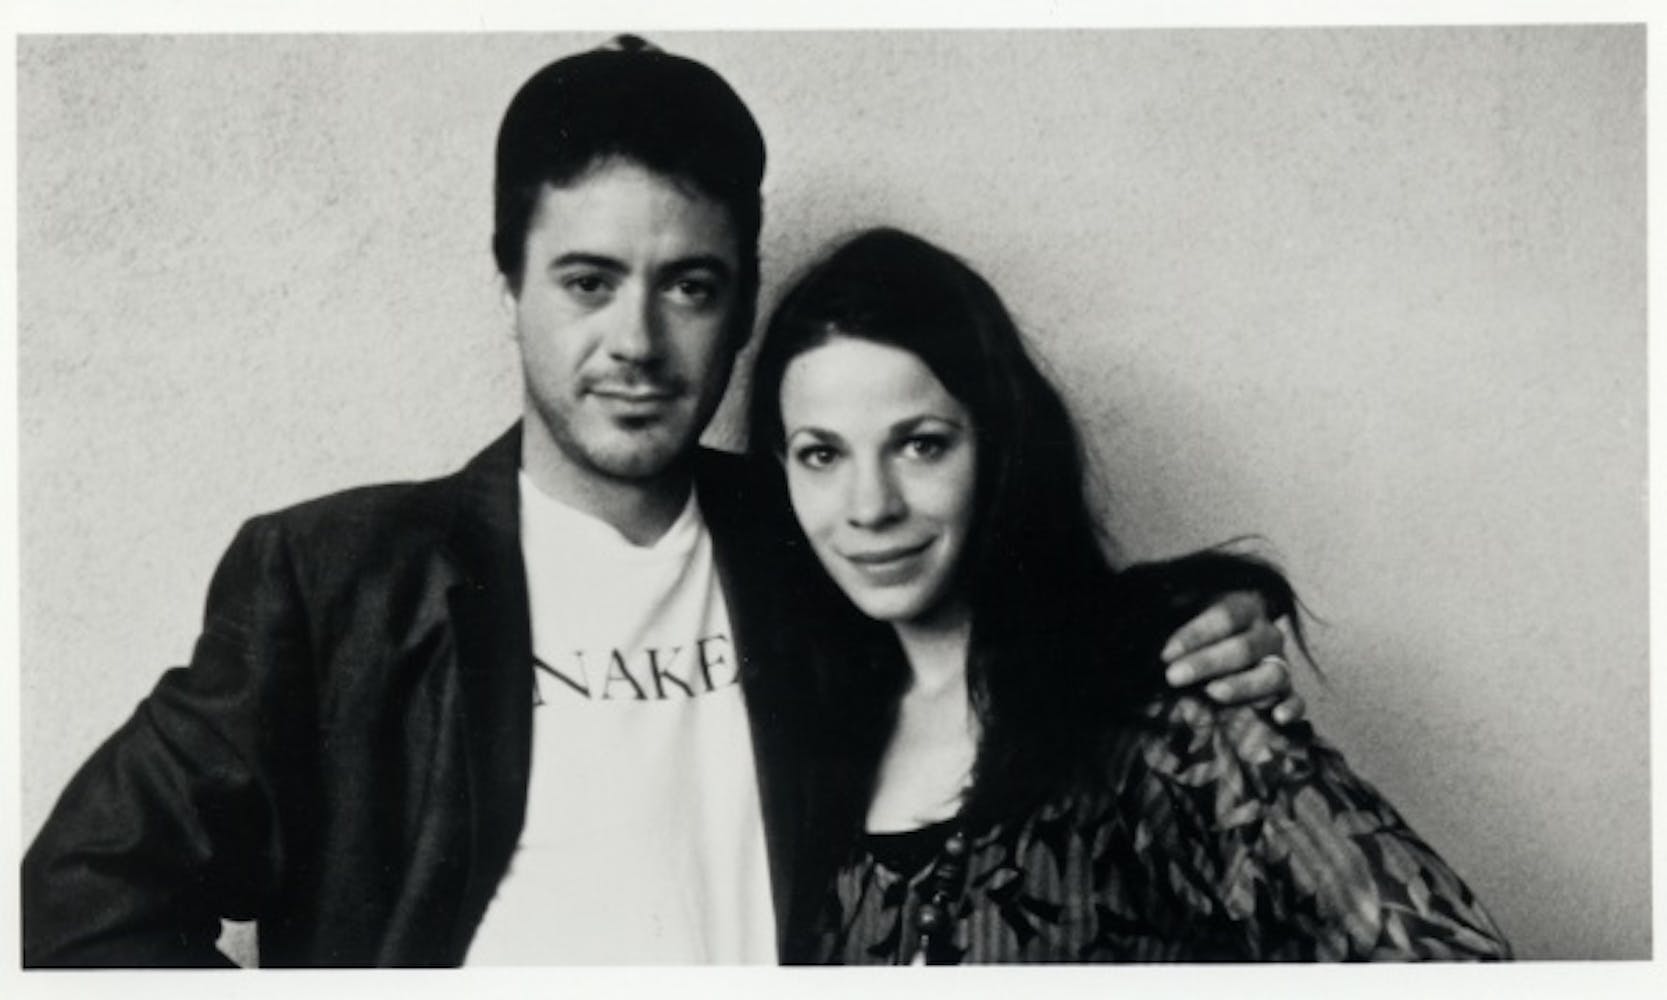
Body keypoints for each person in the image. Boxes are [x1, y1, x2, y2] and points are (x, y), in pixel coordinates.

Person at [22, 38, 1299, 968]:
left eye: (687, 285)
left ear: (740, 306)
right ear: (509, 282)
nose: (634, 341)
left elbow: (1014, 614)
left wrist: (1189, 627)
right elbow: (80, 892)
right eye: (587, 281)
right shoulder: (339, 579)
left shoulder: (815, 535)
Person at [749, 227, 1512, 963]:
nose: (869, 506)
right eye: (821, 455)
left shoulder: (1169, 708)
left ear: (998, 445)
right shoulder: (795, 737)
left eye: (921, 445)